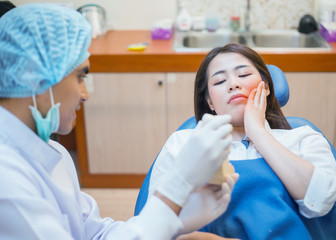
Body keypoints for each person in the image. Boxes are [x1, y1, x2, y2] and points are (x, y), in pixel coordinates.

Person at [0, 4, 239, 239]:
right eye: (80, 76)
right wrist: (174, 191)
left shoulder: (56, 154)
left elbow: (96, 234)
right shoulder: (7, 179)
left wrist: (176, 221)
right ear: (37, 77)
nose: (85, 94)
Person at [148, 43, 336, 239]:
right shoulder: (183, 144)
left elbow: (320, 202)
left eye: (243, 75)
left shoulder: (303, 138)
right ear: (210, 102)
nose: (233, 84)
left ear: (266, 87)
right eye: (219, 82)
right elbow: (156, 220)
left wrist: (258, 132)